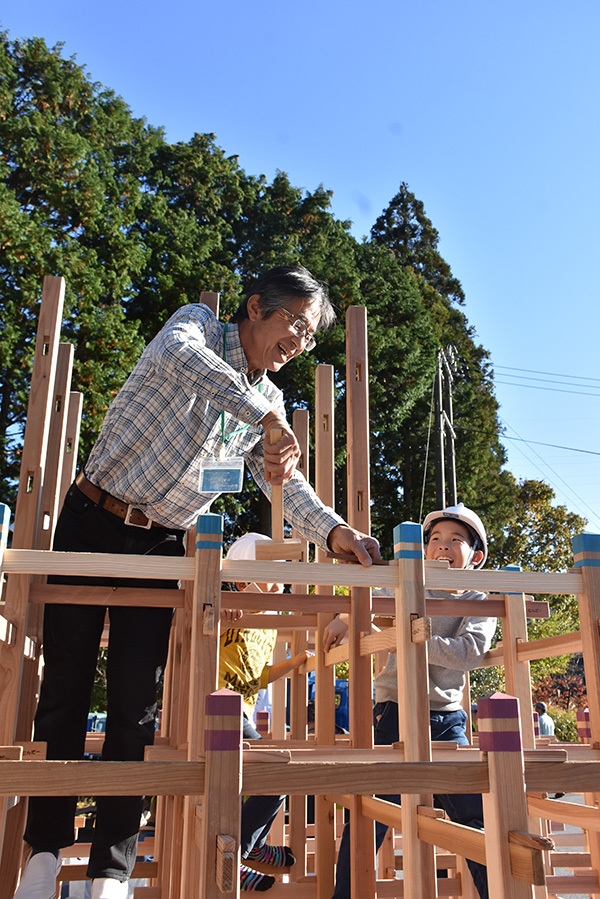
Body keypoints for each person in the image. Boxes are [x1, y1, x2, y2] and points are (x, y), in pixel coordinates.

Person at [16, 265, 381, 899]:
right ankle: (44, 854)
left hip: (164, 542)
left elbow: (285, 485)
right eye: (294, 323)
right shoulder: (198, 327)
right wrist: (263, 413)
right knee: (65, 687)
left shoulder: (263, 404)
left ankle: (109, 872)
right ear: (255, 307)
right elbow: (180, 358)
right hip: (92, 515)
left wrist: (334, 532)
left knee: (136, 704)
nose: (299, 341)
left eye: (309, 335)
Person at [324, 503, 496, 899]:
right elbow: (372, 602)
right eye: (434, 539)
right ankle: (345, 894)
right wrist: (344, 618)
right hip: (396, 709)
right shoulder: (408, 584)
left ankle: (494, 890)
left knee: (472, 813)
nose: (442, 546)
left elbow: (470, 652)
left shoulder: (477, 598)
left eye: (456, 540)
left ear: (476, 556)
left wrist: (415, 636)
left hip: (447, 718)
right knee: (371, 810)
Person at [221, 532, 312, 892]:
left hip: (242, 709)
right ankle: (240, 851)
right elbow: (203, 626)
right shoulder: (235, 605)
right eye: (270, 572)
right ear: (244, 579)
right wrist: (226, 615)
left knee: (279, 775)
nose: (280, 580)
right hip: (218, 706)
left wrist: (294, 663)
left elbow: (258, 678)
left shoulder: (269, 623)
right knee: (272, 771)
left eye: (281, 571)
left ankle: (251, 844)